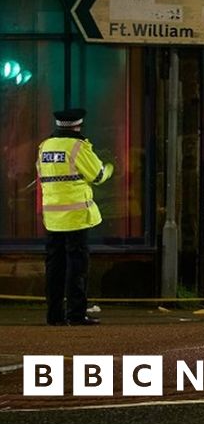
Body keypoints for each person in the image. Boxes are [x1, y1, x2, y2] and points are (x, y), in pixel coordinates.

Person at [37, 108, 113, 326]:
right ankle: (76, 315)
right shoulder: (78, 146)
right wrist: (109, 168)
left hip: (52, 218)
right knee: (76, 267)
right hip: (76, 217)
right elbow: (97, 176)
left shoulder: (45, 146)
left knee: (54, 266)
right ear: (78, 125)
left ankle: (54, 315)